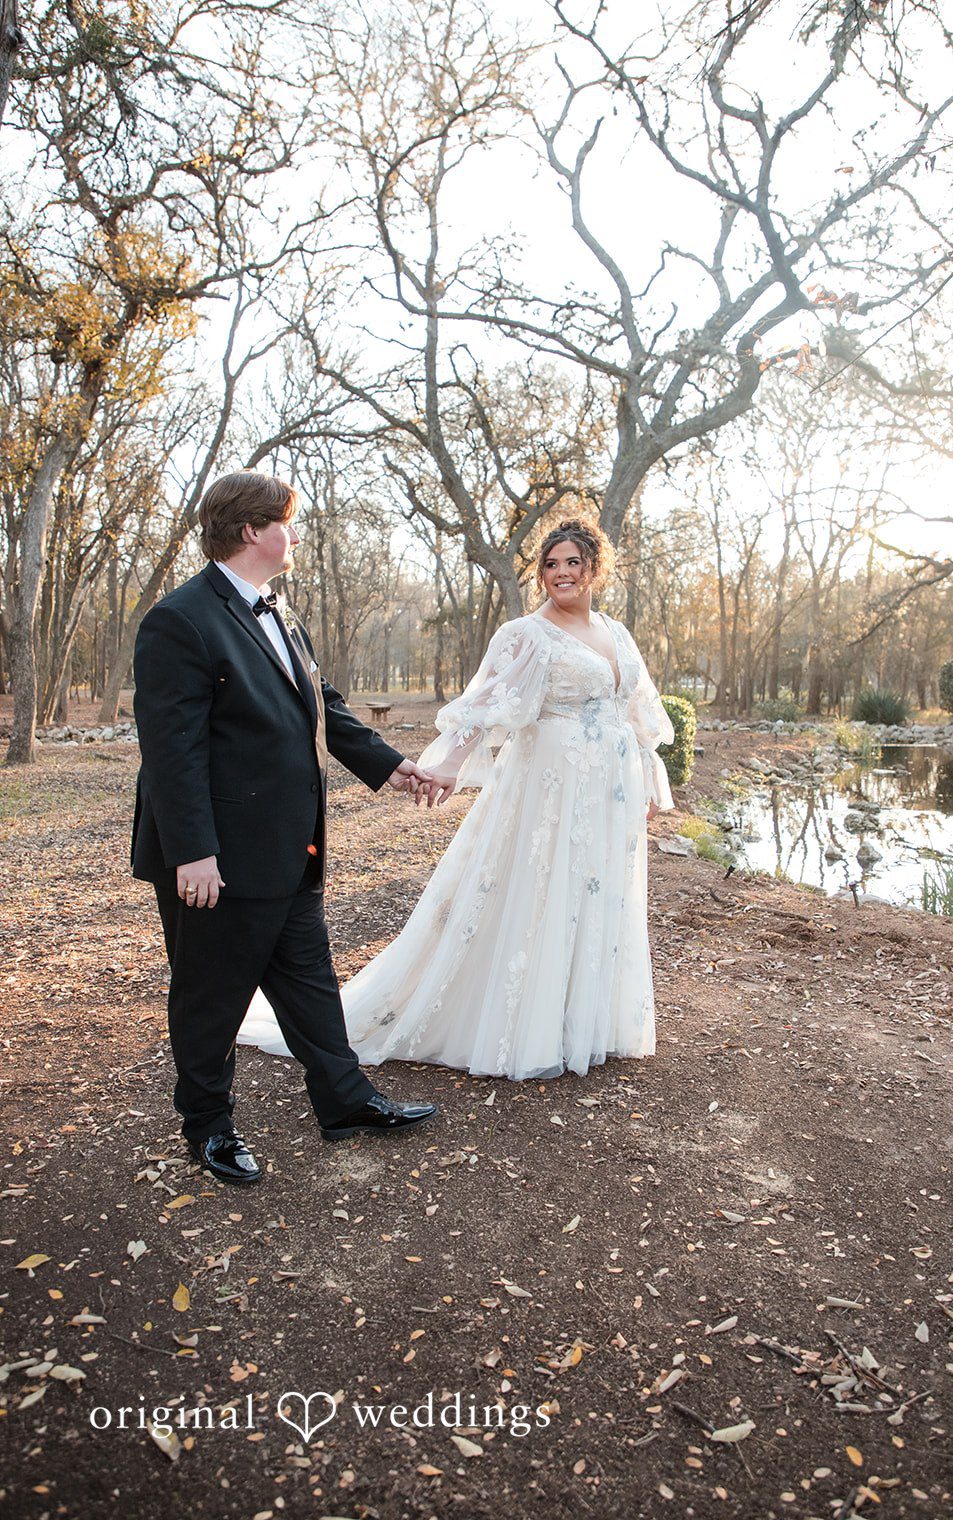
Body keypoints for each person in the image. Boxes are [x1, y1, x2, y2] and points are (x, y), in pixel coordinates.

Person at [238, 516, 674, 1082]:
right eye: (550, 563)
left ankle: (580, 1020)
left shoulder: (616, 632)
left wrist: (643, 778)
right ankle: (523, 1023)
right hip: (550, 789)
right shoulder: (526, 634)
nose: (561, 573)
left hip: (608, 791)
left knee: (594, 894)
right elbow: (483, 709)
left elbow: (634, 712)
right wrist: (442, 767)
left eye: (572, 561)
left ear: (595, 566)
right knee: (542, 892)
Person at [131, 471, 440, 1186]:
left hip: (289, 848)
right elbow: (171, 753)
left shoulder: (281, 614)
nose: (294, 534)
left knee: (308, 984)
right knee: (210, 998)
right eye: (287, 522)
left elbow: (321, 703)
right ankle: (207, 1128)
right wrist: (194, 854)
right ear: (252, 531)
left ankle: (345, 1102)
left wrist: (391, 766)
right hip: (217, 861)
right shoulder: (178, 621)